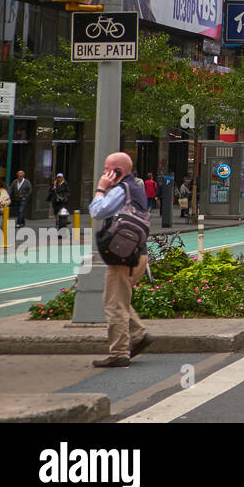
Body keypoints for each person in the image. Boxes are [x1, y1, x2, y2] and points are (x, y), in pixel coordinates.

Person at [89, 152, 151, 367]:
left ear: (117, 171)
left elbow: (97, 211)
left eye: (107, 168)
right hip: (137, 255)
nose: (104, 172)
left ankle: (119, 353)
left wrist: (100, 188)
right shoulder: (136, 189)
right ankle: (138, 335)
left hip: (121, 258)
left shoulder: (120, 190)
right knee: (119, 300)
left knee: (114, 305)